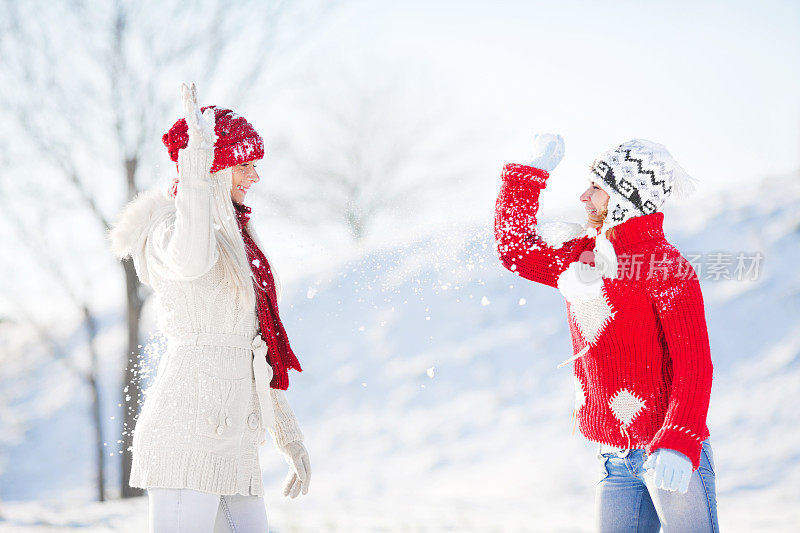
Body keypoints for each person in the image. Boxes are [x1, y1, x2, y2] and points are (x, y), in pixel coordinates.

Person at [110, 83, 310, 532]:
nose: (254, 177)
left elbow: (253, 348)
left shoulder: (237, 238)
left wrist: (287, 433)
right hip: (186, 433)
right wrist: (195, 165)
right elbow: (190, 258)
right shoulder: (169, 229)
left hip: (233, 436)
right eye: (244, 164)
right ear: (215, 168)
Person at [494, 134, 718, 532]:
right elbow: (517, 251)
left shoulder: (665, 267)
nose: (584, 196)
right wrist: (526, 176)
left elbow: (694, 366)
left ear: (625, 195)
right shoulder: (582, 257)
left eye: (596, 187)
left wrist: (679, 443)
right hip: (614, 459)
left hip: (669, 453)